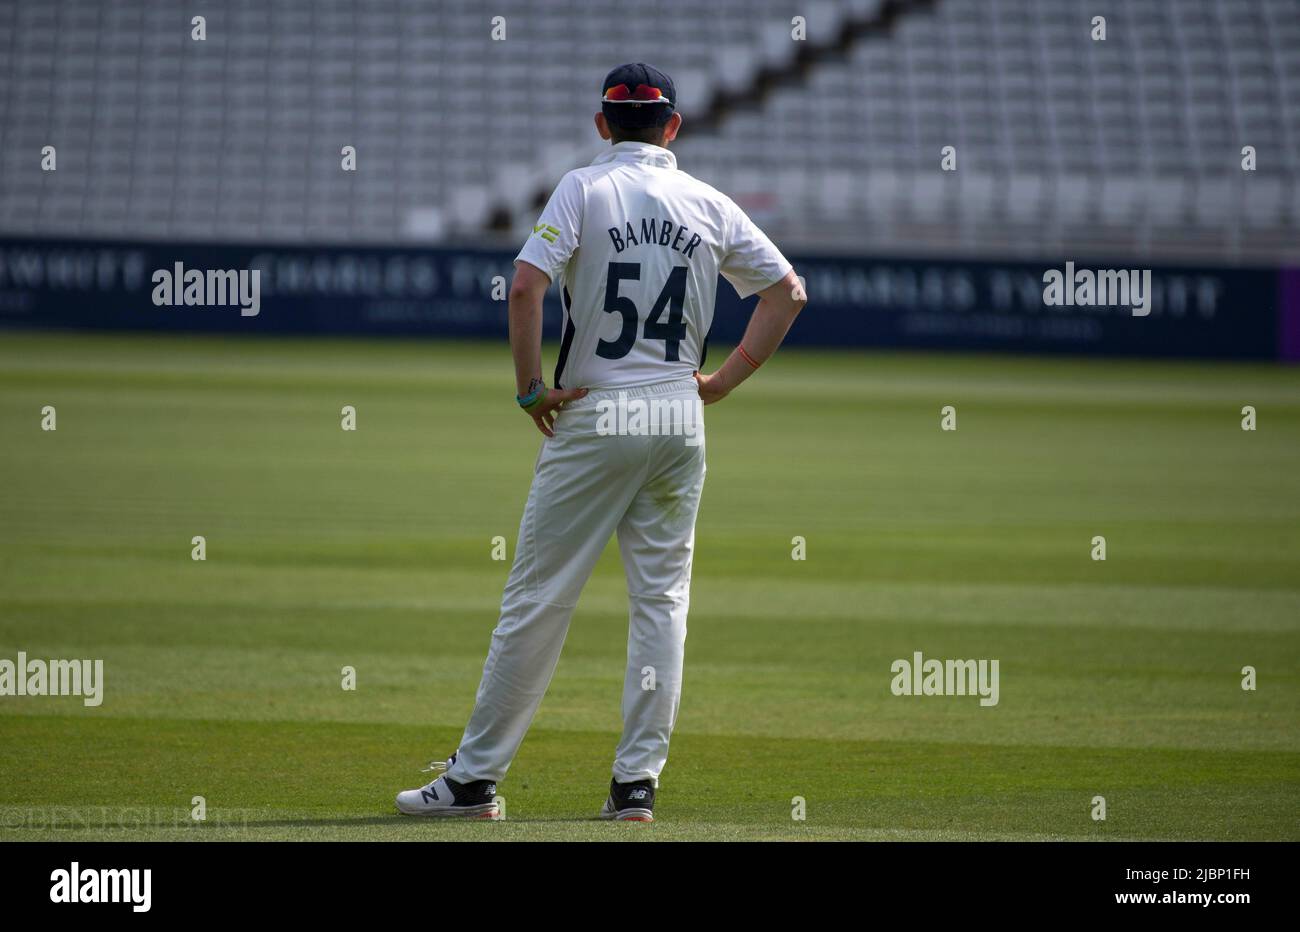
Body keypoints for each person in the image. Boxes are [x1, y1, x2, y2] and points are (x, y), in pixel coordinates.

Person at [396, 62, 806, 821]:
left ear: (602, 124)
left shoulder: (584, 187)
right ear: (673, 127)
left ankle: (474, 780)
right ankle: (635, 787)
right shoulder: (707, 202)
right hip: (679, 414)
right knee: (662, 603)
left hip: (598, 409)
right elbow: (788, 292)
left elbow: (525, 286)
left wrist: (529, 391)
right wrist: (722, 381)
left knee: (539, 598)